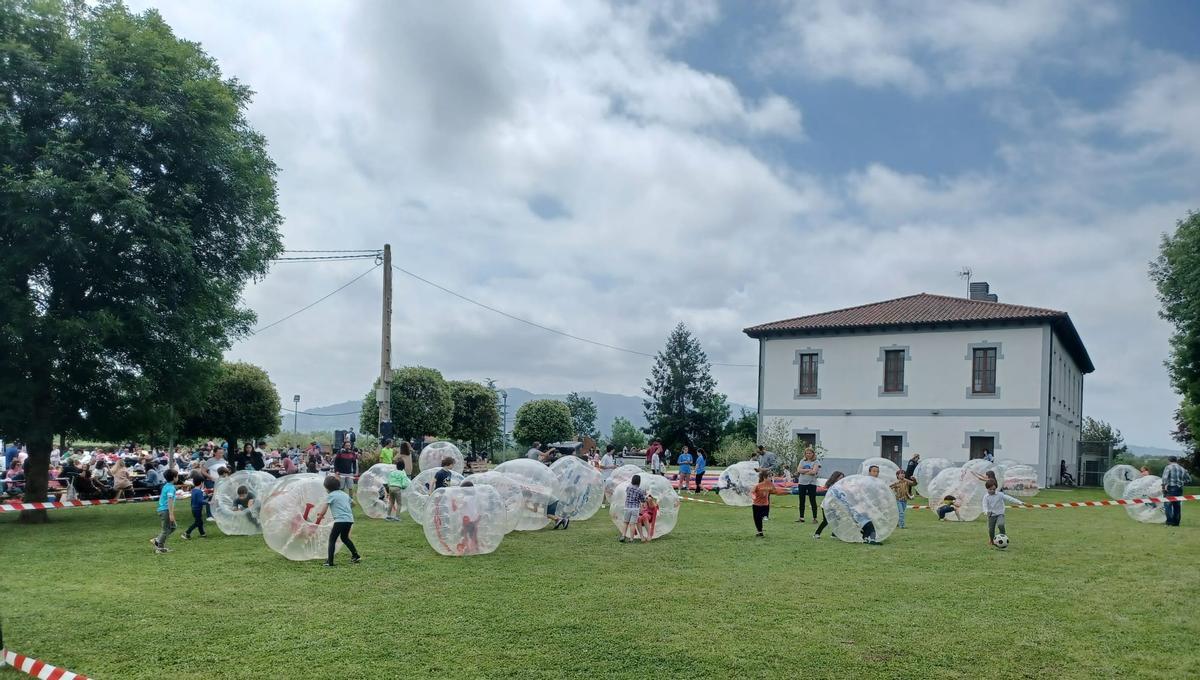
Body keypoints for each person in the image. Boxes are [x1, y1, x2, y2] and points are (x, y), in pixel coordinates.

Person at [314, 476, 361, 567]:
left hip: (340, 521)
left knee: (332, 539)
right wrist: (345, 508)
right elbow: (354, 504)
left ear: (327, 488)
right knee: (344, 538)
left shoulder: (331, 495)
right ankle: (356, 555)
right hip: (349, 520)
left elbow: (325, 507)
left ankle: (330, 562)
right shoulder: (344, 494)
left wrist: (321, 515)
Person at [751, 470, 788, 537]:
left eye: (771, 476)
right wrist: (753, 496)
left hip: (765, 505)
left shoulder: (770, 485)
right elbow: (752, 492)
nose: (771, 478)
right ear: (764, 477)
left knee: (760, 516)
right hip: (756, 505)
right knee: (757, 519)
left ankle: (764, 516)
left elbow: (776, 492)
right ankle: (760, 532)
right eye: (769, 477)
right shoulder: (758, 485)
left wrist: (787, 492)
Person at [151, 469, 179, 554]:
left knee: (173, 527)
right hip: (165, 510)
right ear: (174, 478)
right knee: (165, 530)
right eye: (177, 476)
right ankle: (160, 548)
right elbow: (170, 500)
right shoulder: (171, 488)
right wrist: (171, 514)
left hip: (163, 510)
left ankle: (157, 540)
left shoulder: (166, 486)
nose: (178, 477)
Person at [1162, 455, 1192, 527]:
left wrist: (1163, 487)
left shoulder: (1168, 467)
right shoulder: (1182, 468)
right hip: (1179, 488)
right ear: (1176, 461)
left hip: (1170, 488)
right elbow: (1189, 480)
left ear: (1169, 460)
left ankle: (1169, 522)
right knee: (1177, 506)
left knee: (1167, 505)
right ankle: (1176, 523)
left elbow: (1164, 478)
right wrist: (1181, 482)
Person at [794, 447, 820, 523]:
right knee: (801, 500)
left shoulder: (816, 462)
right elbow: (799, 470)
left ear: (813, 454)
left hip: (811, 483)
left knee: (812, 500)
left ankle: (814, 518)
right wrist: (809, 470)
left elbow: (814, 472)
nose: (808, 454)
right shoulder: (802, 461)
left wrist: (804, 471)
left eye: (810, 453)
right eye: (807, 453)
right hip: (802, 483)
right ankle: (801, 517)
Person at [619, 475, 647, 543]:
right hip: (635, 509)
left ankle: (623, 536)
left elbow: (628, 493)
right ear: (639, 481)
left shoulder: (628, 488)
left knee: (625, 522)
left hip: (627, 507)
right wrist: (644, 494)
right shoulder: (640, 490)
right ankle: (631, 539)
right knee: (632, 524)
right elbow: (643, 500)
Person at [182, 472, 209, 540]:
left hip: (194, 509)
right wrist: (209, 502)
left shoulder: (194, 490)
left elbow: (198, 499)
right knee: (197, 522)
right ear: (201, 483)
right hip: (197, 509)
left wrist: (207, 495)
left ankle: (202, 533)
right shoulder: (199, 491)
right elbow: (200, 501)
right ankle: (186, 533)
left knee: (199, 522)